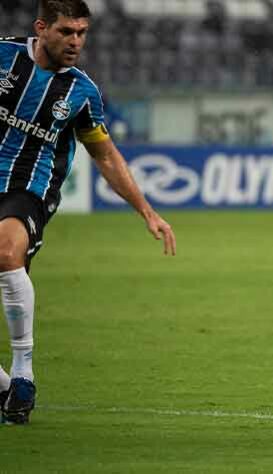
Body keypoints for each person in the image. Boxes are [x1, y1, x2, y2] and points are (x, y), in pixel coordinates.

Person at [0, 0, 176, 425]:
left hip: (28, 192)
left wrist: (146, 211)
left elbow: (107, 156)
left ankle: (23, 372)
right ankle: (7, 391)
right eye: (66, 32)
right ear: (41, 28)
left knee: (6, 253)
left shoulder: (82, 92)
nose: (76, 41)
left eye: (82, 33)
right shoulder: (3, 56)